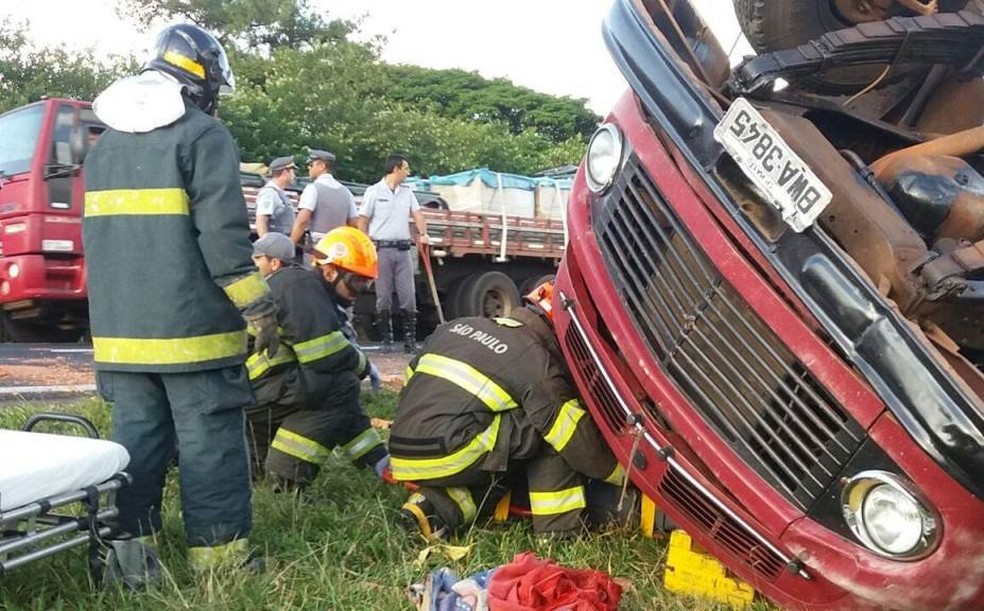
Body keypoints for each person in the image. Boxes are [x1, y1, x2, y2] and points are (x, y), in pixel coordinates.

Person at [82, 24, 280, 580]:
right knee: (209, 443)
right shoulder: (202, 136)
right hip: (193, 336)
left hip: (121, 339)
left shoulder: (105, 147)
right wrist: (257, 306)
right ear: (201, 81)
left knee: (135, 444)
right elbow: (223, 238)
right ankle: (222, 565)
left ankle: (128, 558)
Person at [390, 282, 625, 540]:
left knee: (504, 461)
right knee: (554, 427)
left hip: (402, 450)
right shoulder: (536, 359)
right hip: (452, 451)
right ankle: (559, 531)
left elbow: (410, 381)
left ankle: (431, 508)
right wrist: (625, 475)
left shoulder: (454, 327)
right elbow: (576, 439)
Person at [244, 229, 391, 491]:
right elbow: (324, 357)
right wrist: (364, 365)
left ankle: (260, 471)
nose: (361, 291)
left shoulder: (304, 288)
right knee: (341, 383)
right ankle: (287, 479)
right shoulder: (303, 287)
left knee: (338, 389)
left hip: (247, 390)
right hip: (254, 388)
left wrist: (378, 459)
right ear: (330, 271)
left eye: (367, 284)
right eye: (357, 281)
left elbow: (342, 404)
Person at [358, 154, 430, 353]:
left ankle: (410, 340)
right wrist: (365, 243)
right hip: (381, 249)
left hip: (403, 249)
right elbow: (363, 220)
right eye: (406, 169)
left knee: (408, 296)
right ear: (396, 169)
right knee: (383, 296)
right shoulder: (373, 191)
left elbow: (418, 215)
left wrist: (423, 234)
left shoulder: (407, 193)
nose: (408, 173)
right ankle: (386, 340)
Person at [290, 149, 358, 255]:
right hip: (340, 247)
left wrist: (290, 245)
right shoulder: (346, 192)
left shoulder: (313, 189)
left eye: (311, 164)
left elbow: (302, 221)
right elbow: (354, 223)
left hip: (319, 246)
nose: (308, 168)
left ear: (321, 166)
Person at [254, 155, 297, 238]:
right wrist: (266, 243)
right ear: (285, 172)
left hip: (280, 241)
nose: (294, 175)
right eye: (292, 171)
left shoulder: (277, 192)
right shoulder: (270, 193)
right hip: (275, 243)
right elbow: (261, 220)